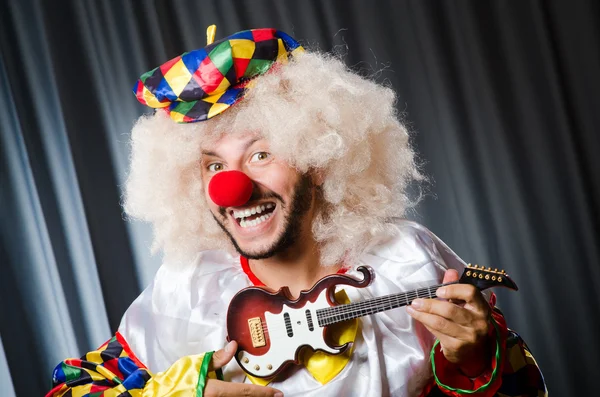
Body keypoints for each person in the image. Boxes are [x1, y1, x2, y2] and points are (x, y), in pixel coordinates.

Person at [47, 27, 546, 397]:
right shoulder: (188, 289)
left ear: (320, 160)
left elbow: (522, 389)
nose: (232, 187)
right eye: (213, 165)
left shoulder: (406, 260)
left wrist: (475, 362)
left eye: (261, 155)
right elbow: (70, 391)